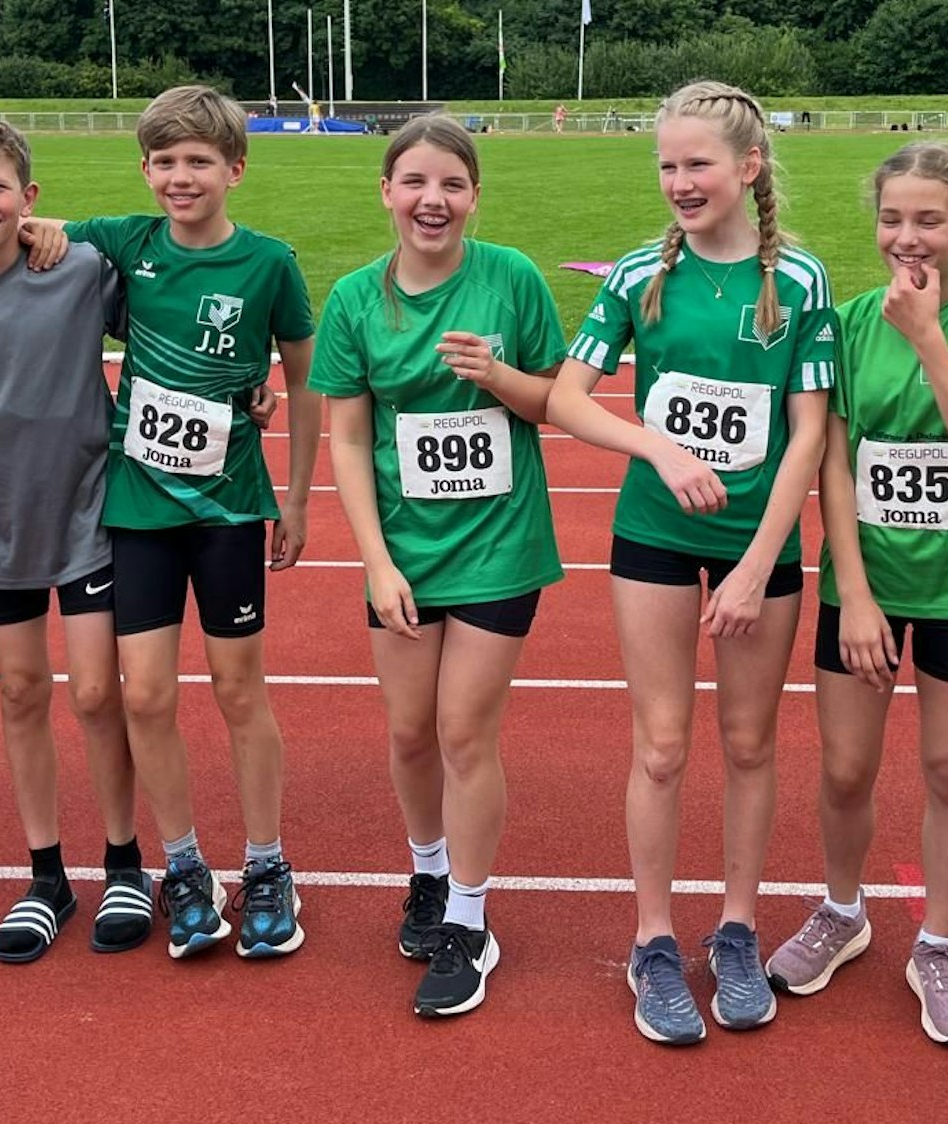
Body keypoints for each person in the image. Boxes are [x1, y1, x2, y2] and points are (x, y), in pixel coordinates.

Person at [0, 87, 320, 963]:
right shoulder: (115, 245)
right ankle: (164, 866)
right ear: (144, 171)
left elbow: (297, 371)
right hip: (121, 509)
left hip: (204, 503)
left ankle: (256, 864)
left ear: (234, 170)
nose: (180, 177)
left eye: (198, 161)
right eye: (165, 163)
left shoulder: (241, 262)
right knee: (137, 695)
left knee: (207, 691)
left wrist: (290, 477)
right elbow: (0, 224)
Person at [546, 80, 835, 1045]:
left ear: (748, 168)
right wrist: (657, 448)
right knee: (662, 745)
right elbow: (567, 398)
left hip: (761, 546)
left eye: (698, 163)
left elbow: (807, 435)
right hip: (655, 540)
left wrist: (759, 564)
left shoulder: (799, 281)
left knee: (750, 745)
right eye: (667, 164)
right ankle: (654, 942)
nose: (679, 180)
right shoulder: (637, 275)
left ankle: (739, 930)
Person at [764, 141, 948, 1046]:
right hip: (866, 585)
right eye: (892, 219)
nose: (908, 238)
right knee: (845, 769)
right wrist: (852, 586)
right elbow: (834, 462)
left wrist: (926, 336)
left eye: (929, 220)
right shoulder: (844, 322)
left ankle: (938, 942)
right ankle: (842, 913)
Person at [311, 115, 565, 1017]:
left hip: (499, 547)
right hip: (403, 555)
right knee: (411, 731)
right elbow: (346, 438)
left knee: (462, 733)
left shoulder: (512, 279)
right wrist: (374, 563)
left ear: (473, 195)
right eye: (415, 182)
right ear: (386, 192)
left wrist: (498, 377)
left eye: (451, 184)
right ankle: (426, 871)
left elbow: (559, 402)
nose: (433, 200)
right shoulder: (353, 298)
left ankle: (467, 915)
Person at [0, 111, 153, 964]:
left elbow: (162, 325)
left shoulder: (77, 267)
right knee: (18, 692)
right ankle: (45, 873)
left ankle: (125, 862)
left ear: (29, 196)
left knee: (93, 693)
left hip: (85, 511)